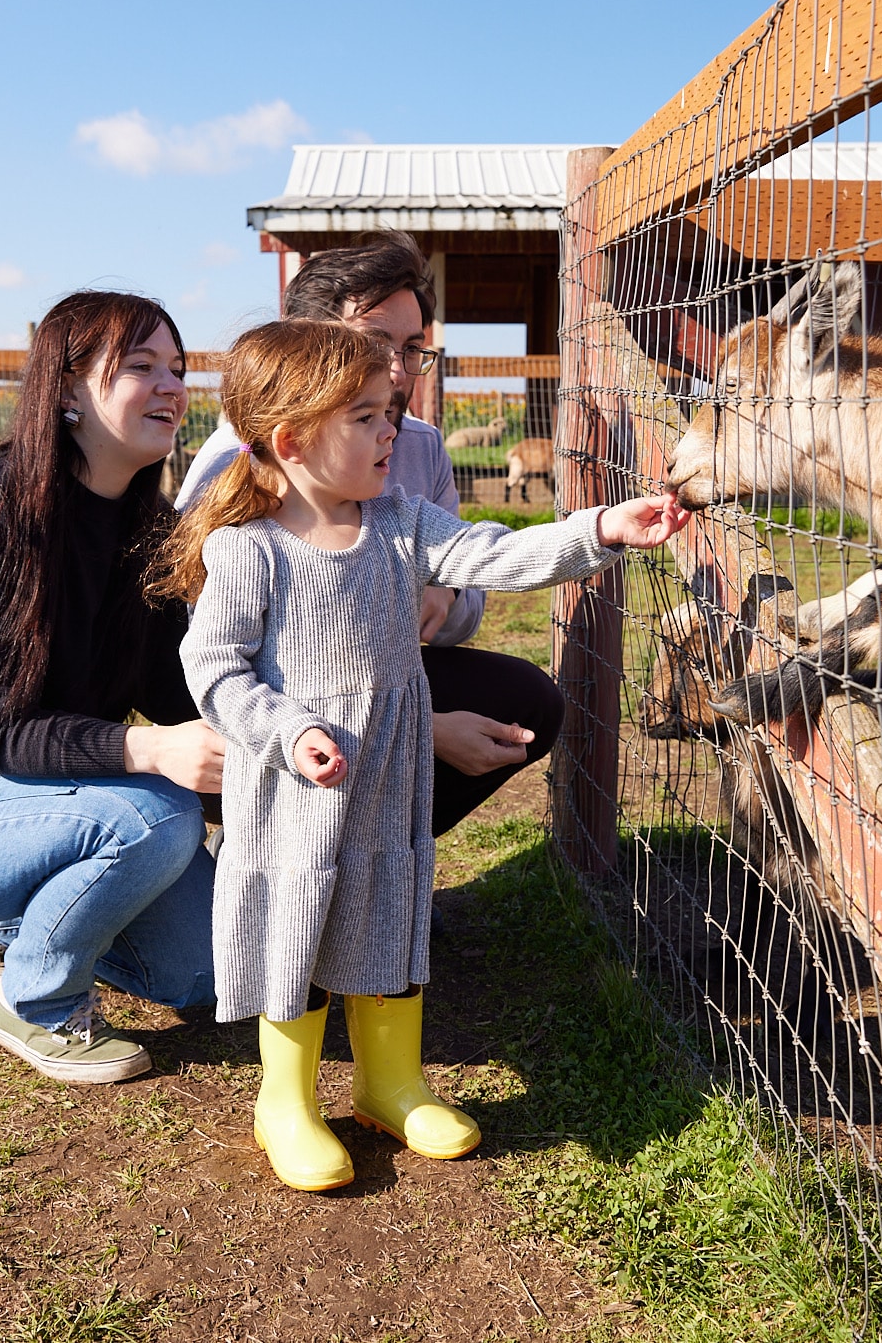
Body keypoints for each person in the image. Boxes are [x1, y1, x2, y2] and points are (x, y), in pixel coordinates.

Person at [152, 319, 689, 1191]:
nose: (389, 431)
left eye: (388, 411)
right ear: (290, 442)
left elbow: (499, 553)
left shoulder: (402, 522)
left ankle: (391, 1084)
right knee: (302, 926)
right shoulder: (247, 549)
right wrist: (290, 731)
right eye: (364, 416)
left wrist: (603, 528)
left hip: (390, 779)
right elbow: (211, 673)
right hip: (297, 794)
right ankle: (284, 1101)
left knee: (389, 910)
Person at [0, 291, 228, 1086]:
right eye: (140, 367)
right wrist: (155, 752)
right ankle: (36, 1000)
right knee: (155, 815)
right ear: (64, 390)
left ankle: (13, 908)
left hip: (50, 788)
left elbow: (169, 688)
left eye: (179, 369)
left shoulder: (146, 527)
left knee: (211, 973)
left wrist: (266, 755)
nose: (172, 387)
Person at [176, 230, 560, 836]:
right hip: (270, 693)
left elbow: (475, 576)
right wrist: (425, 727)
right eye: (376, 343)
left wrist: (447, 595)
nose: (398, 372)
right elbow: (213, 648)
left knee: (529, 700)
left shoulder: (421, 447)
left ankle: (387, 858)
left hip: (380, 670)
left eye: (413, 348)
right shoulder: (238, 460)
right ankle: (258, 839)